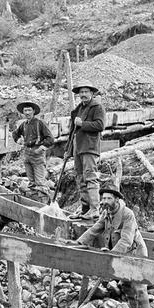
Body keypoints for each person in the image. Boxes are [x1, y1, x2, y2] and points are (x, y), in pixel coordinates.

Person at [73, 186, 154, 308]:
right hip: (121, 254)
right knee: (126, 286)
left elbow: (126, 240)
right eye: (103, 198)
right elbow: (95, 229)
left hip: (135, 254)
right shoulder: (106, 213)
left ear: (116, 200)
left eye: (108, 198)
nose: (105, 201)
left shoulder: (127, 214)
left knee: (139, 287)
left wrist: (112, 254)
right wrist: (78, 243)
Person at [68, 83, 105, 218]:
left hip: (89, 147)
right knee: (80, 178)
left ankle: (95, 209)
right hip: (78, 147)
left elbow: (100, 125)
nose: (83, 94)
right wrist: (68, 150)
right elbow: (72, 131)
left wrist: (82, 124)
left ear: (92, 93)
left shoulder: (97, 107)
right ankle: (85, 208)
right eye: (81, 92)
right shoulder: (78, 109)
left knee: (90, 177)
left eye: (86, 92)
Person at [11, 100, 52, 199]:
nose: (27, 113)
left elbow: (50, 139)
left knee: (40, 183)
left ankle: (44, 202)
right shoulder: (24, 124)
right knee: (31, 182)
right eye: (25, 111)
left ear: (33, 111)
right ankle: (34, 201)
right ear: (23, 112)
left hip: (37, 155)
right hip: (27, 154)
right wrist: (18, 140)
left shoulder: (40, 123)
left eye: (29, 110)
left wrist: (41, 148)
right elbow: (15, 134)